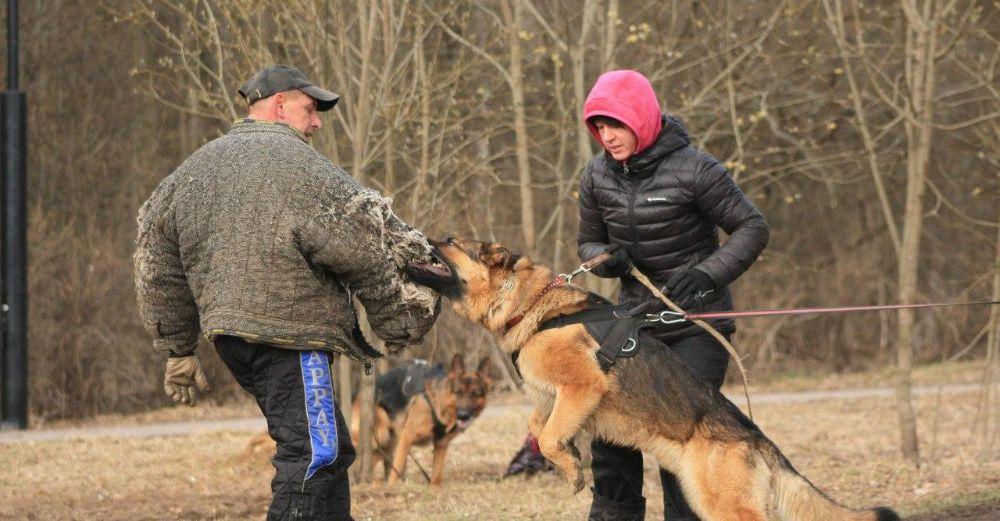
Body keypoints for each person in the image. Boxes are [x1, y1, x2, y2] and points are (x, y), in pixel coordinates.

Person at [133, 64, 439, 520]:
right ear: (279, 104)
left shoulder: (190, 172)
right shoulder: (302, 169)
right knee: (313, 454)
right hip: (290, 337)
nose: (316, 123)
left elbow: (157, 263)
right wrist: (399, 318)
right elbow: (364, 247)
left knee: (329, 447)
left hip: (233, 338)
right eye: (311, 109)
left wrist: (178, 347)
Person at [577, 70, 769, 521]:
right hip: (635, 324)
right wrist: (607, 258)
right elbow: (587, 243)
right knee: (610, 433)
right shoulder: (595, 174)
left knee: (678, 441)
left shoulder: (696, 169)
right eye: (598, 126)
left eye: (615, 124)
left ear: (641, 118)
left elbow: (752, 226)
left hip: (697, 325)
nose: (607, 136)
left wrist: (706, 274)